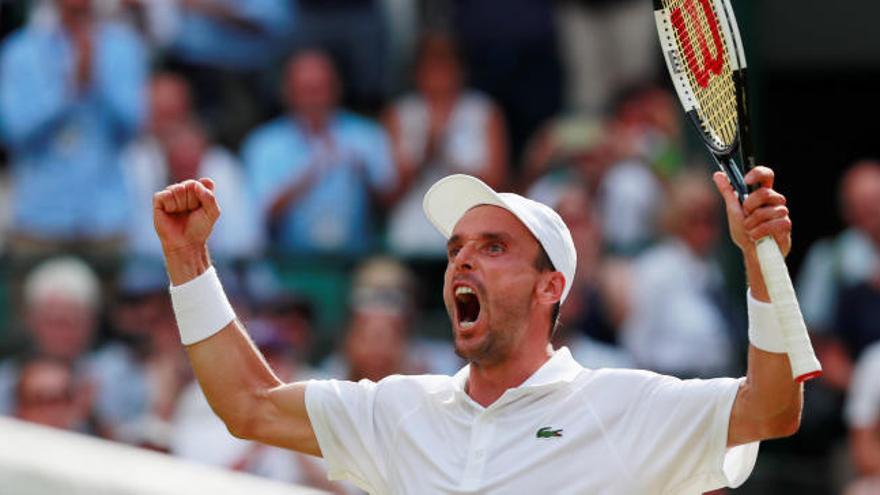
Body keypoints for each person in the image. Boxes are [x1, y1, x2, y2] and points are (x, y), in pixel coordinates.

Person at [153, 166, 805, 493]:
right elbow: (248, 405)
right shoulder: (399, 410)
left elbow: (772, 408)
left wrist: (760, 264)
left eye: (493, 247)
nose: (463, 257)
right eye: (457, 246)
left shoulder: (625, 405)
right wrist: (189, 262)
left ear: (551, 288)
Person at [0, 0, 147, 256]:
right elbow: (14, 132)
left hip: (106, 219)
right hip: (40, 219)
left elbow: (132, 127)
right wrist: (68, 92)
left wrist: (97, 81)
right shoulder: (21, 51)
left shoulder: (122, 47)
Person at [242, 50, 396, 256]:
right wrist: (310, 173)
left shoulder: (366, 135)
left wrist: (363, 173)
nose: (314, 99)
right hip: (288, 262)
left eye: (321, 89)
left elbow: (391, 201)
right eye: (306, 90)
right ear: (287, 93)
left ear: (337, 89)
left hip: (357, 261)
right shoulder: (264, 144)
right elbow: (257, 216)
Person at [383, 33, 508, 258]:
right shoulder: (400, 113)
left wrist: (451, 160)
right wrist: (426, 155)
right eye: (431, 66)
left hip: (473, 233)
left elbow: (499, 187)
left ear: (460, 70)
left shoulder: (484, 112)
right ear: (417, 72)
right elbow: (388, 192)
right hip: (410, 235)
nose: (439, 74)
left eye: (445, 65)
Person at [621, 172, 738, 378]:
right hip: (672, 380)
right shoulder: (656, 267)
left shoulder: (711, 268)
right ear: (676, 218)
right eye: (693, 219)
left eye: (709, 219)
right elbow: (638, 339)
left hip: (716, 377)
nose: (703, 229)